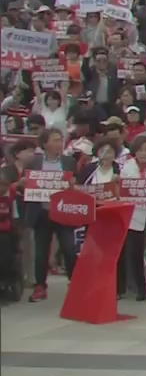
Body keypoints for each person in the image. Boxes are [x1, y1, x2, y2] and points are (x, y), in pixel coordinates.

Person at [24, 129, 79, 301]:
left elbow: (76, 185)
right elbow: (25, 182)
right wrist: (24, 183)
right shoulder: (34, 161)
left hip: (63, 212)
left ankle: (74, 282)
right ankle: (40, 285)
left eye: (60, 139)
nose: (59, 143)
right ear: (45, 143)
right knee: (41, 252)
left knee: (70, 248)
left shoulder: (69, 161)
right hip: (41, 212)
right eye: (55, 140)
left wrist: (73, 185)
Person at [119, 136, 146, 300]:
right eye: (140, 150)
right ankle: (140, 288)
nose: (143, 153)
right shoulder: (127, 167)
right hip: (134, 215)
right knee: (134, 253)